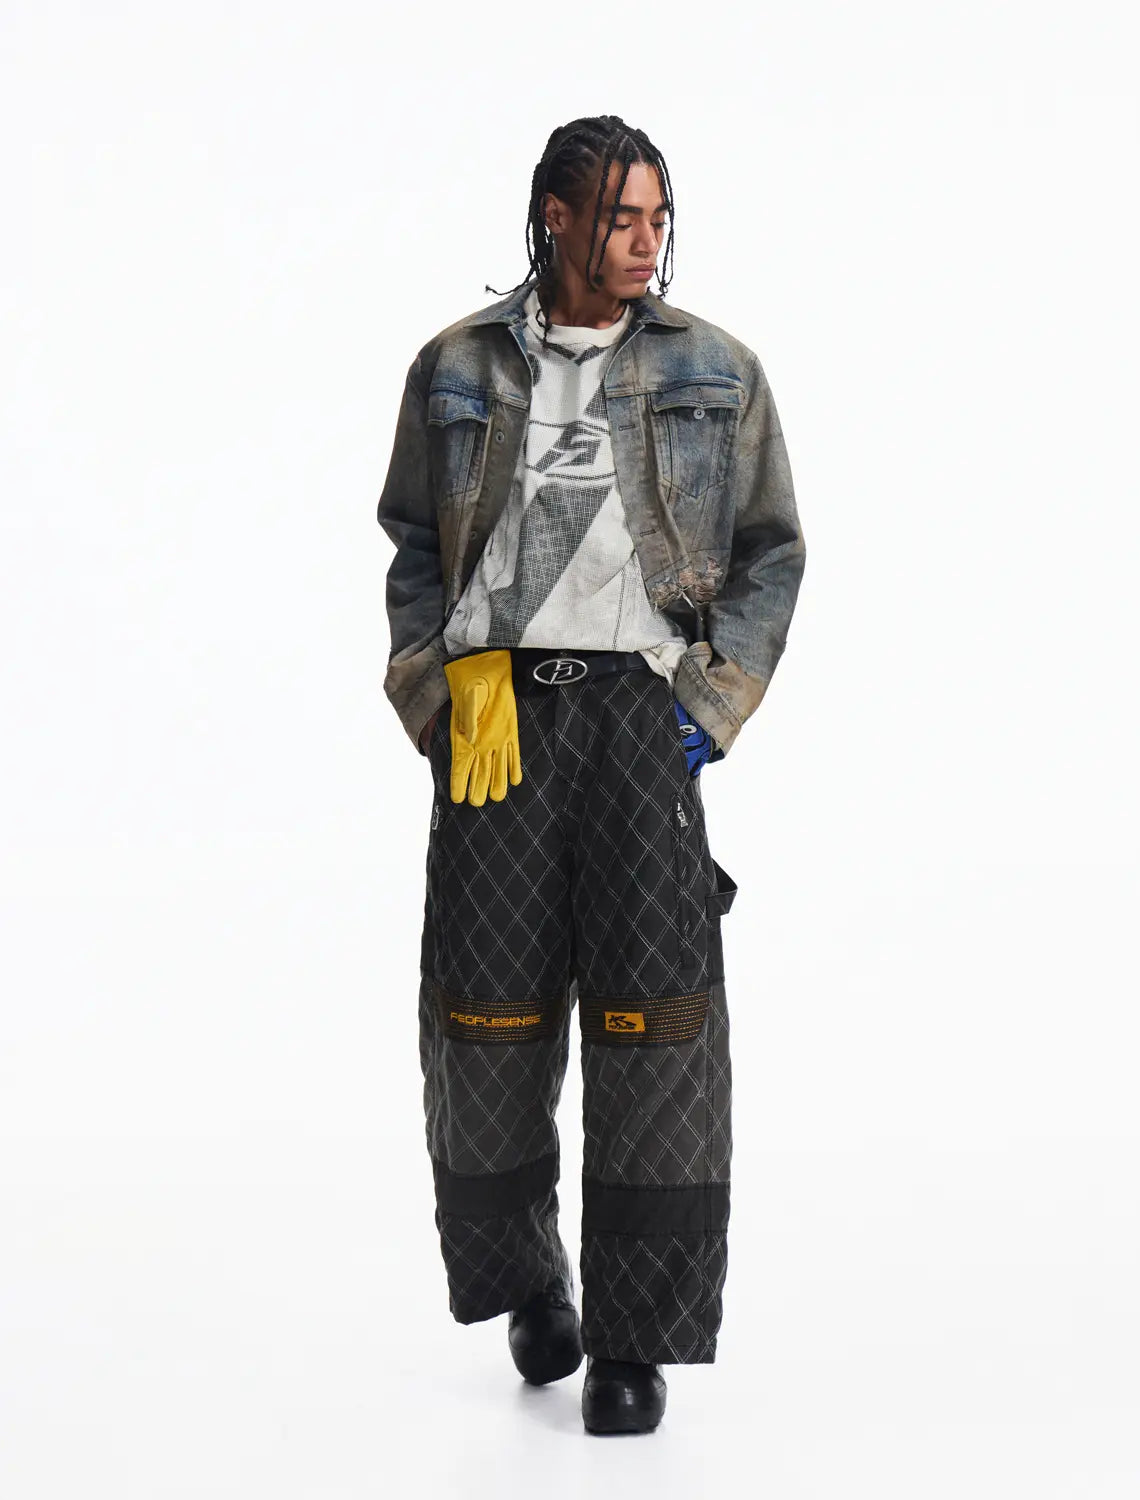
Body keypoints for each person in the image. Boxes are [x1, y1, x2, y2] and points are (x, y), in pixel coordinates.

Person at [376, 114, 804, 1435]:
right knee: (485, 1022)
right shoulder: (454, 366)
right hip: (495, 717)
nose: (645, 241)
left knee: (655, 1026)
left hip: (638, 722)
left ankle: (635, 1337)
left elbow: (770, 550)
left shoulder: (717, 370)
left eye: (658, 217)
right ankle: (530, 1287)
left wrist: (705, 710)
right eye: (621, 217)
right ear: (555, 217)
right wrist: (435, 695)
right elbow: (413, 547)